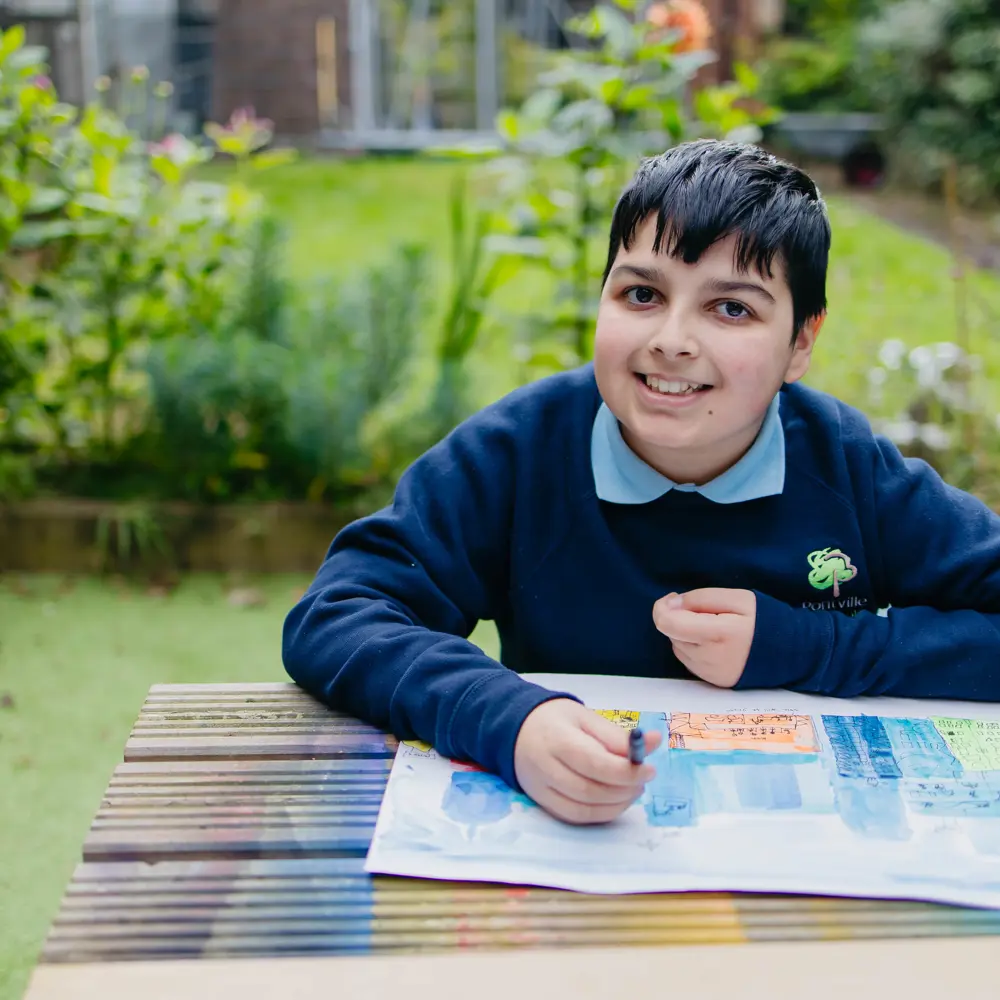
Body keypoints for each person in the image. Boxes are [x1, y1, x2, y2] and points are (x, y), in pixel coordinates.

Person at [282, 139, 1000, 825]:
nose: (673, 340)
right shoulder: (517, 454)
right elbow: (338, 614)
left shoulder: (851, 470)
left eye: (732, 308)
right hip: (577, 863)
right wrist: (511, 717)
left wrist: (809, 646)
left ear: (800, 343)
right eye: (642, 295)